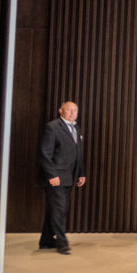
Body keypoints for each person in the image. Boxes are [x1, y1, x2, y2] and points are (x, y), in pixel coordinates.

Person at [37, 101, 86, 255]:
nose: (72, 112)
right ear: (60, 111)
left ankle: (46, 241)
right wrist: (52, 174)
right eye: (69, 109)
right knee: (58, 210)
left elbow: (78, 153)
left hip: (69, 176)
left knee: (58, 209)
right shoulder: (52, 127)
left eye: (75, 110)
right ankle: (61, 243)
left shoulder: (76, 128)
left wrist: (81, 173)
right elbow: (45, 153)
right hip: (56, 177)